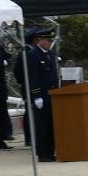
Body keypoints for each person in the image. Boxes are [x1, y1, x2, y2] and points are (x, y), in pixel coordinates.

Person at [16, 27, 60, 161]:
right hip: (41, 95)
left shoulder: (50, 54)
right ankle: (43, 153)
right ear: (40, 40)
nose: (49, 42)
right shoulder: (33, 55)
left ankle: (50, 151)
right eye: (47, 40)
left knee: (50, 125)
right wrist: (36, 95)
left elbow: (53, 75)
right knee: (42, 125)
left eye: (51, 40)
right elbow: (32, 77)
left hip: (51, 94)